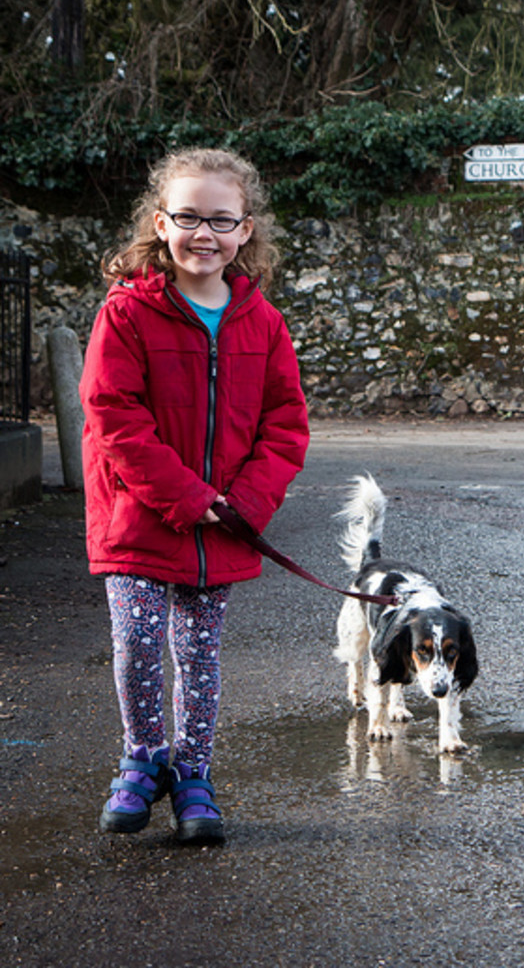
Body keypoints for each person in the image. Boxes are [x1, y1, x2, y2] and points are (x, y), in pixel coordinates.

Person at [80, 148, 309, 842]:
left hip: (221, 527)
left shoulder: (262, 323)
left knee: (201, 652)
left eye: (220, 219)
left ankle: (195, 772)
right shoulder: (126, 312)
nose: (202, 233)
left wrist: (245, 502)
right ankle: (144, 756)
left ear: (245, 231)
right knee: (140, 642)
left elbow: (286, 423)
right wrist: (185, 493)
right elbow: (112, 413)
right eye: (187, 217)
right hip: (141, 516)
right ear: (160, 223)